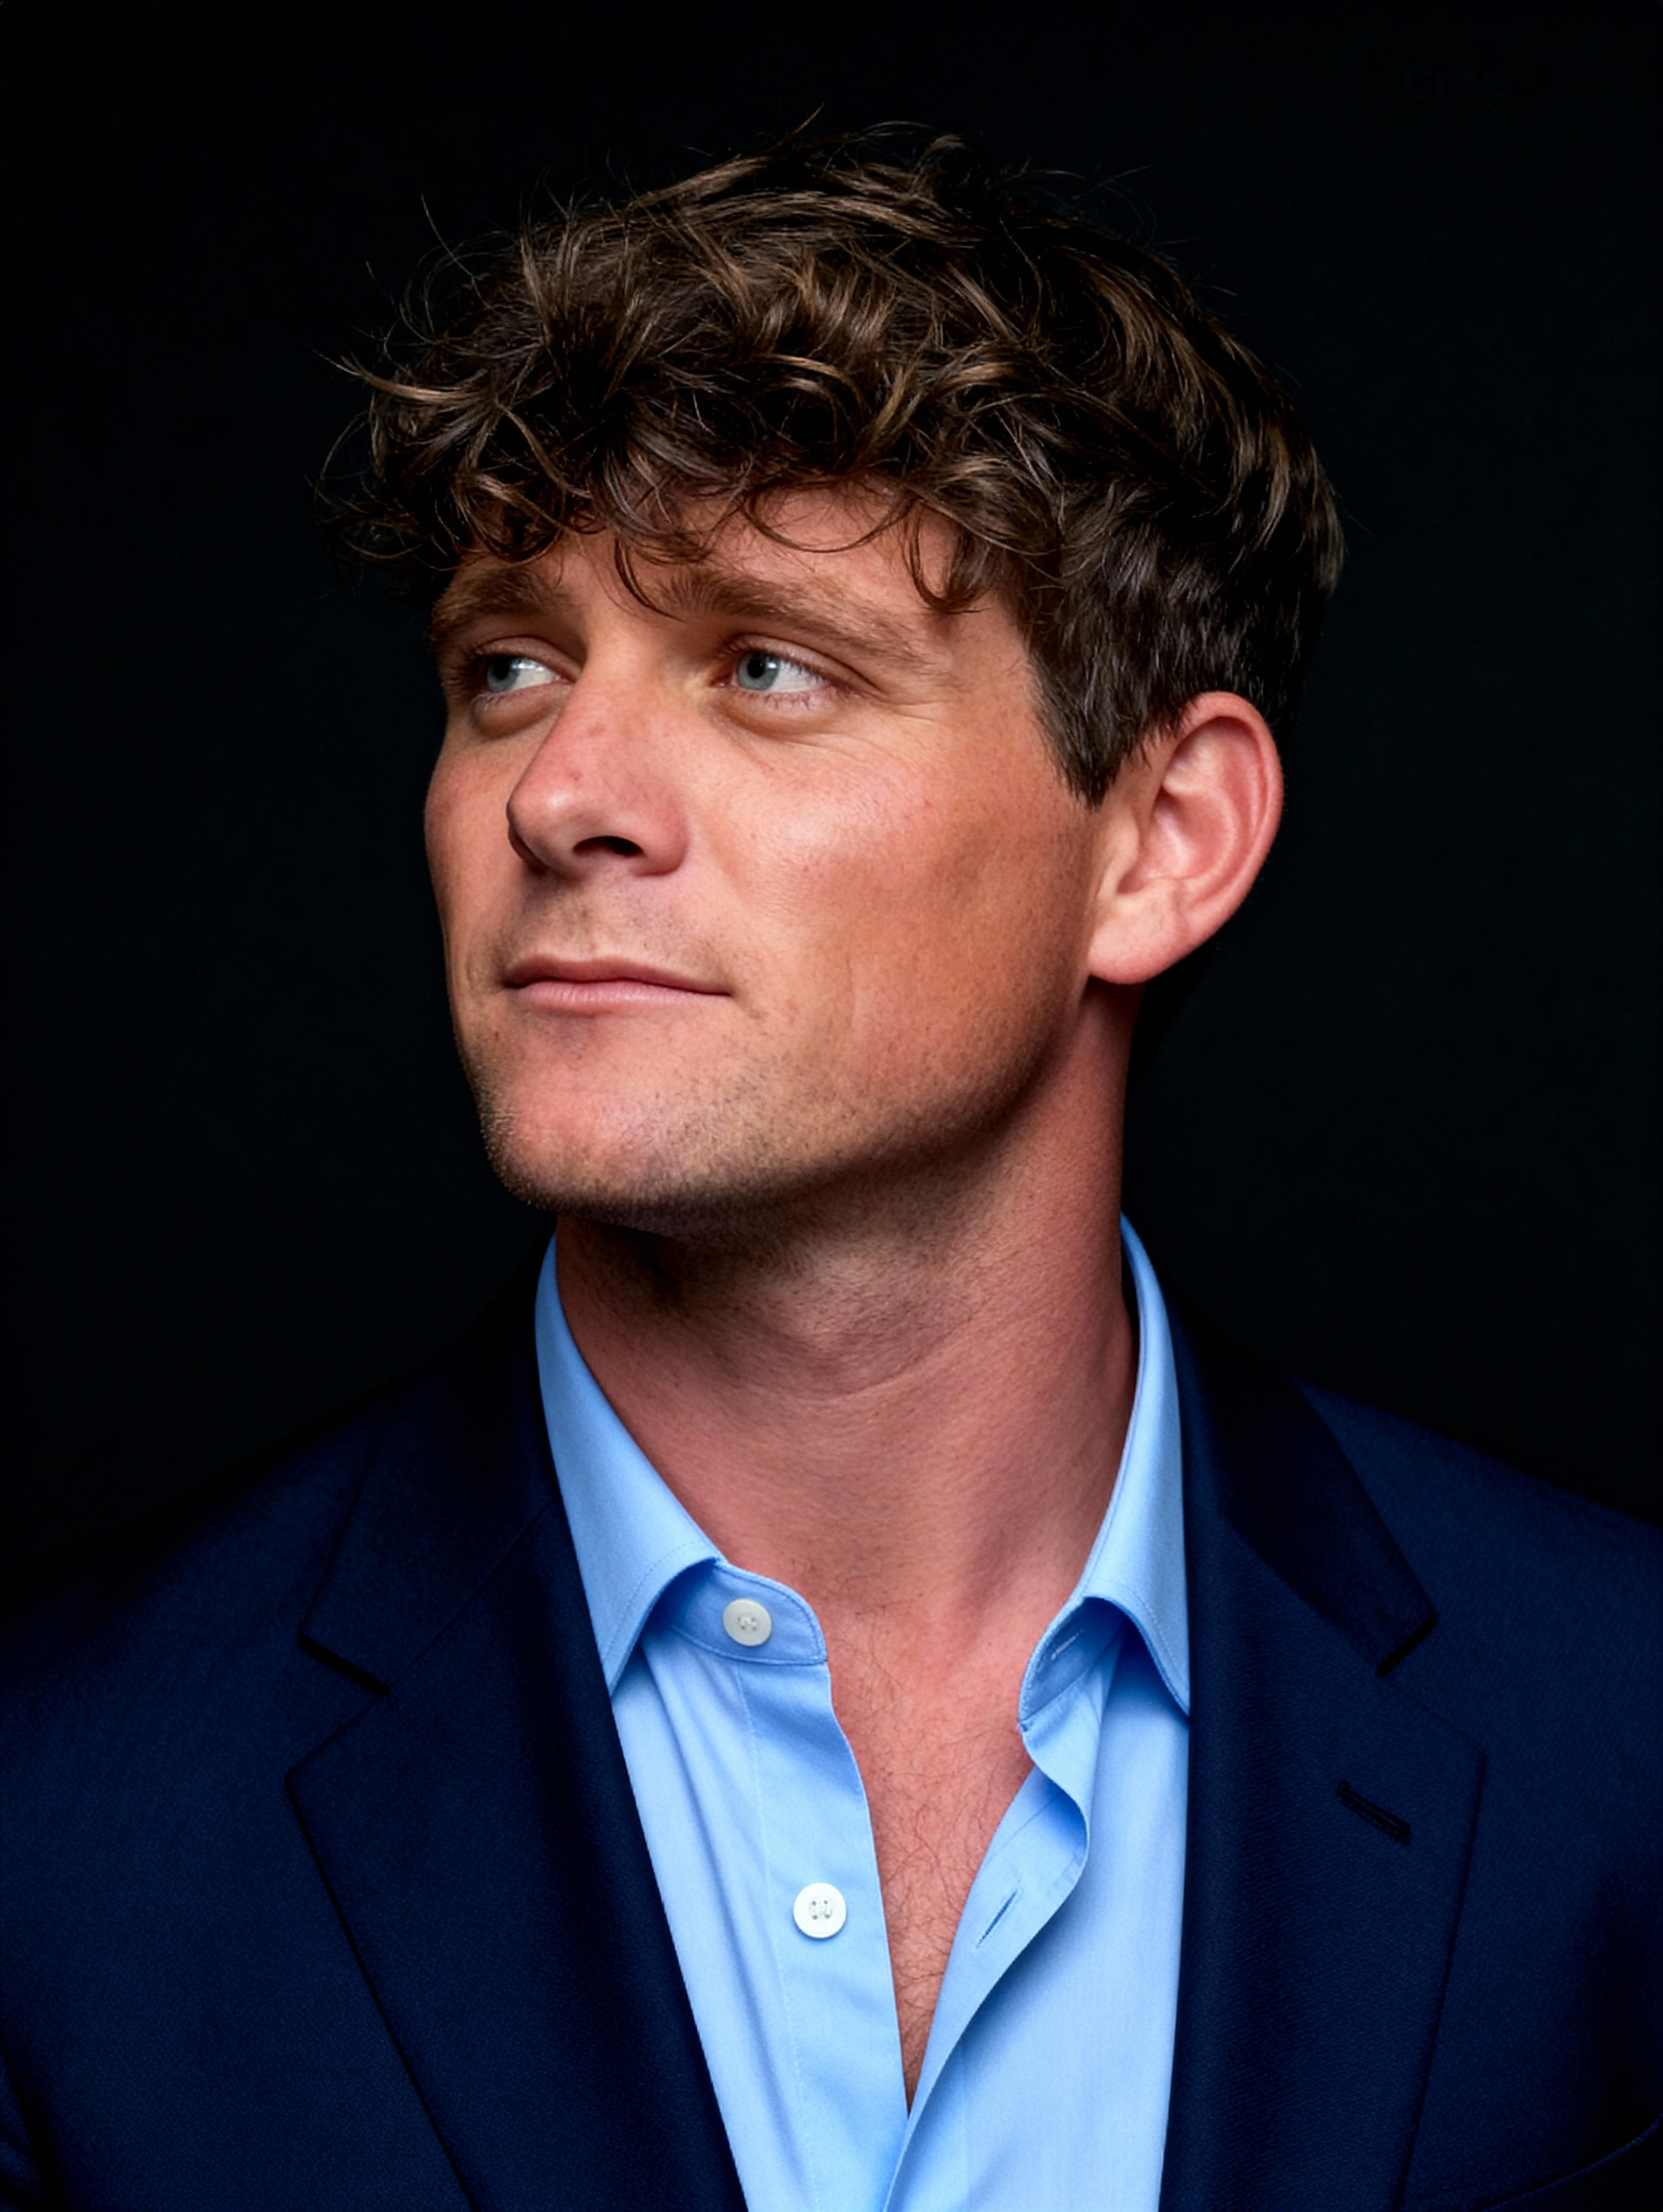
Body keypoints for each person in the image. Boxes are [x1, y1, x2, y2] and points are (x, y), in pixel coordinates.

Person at [1, 132, 1656, 2212]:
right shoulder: (56, 1830)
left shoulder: (1620, 1745)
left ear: (1158, 844)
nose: (563, 795)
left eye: (768, 665)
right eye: (507, 666)